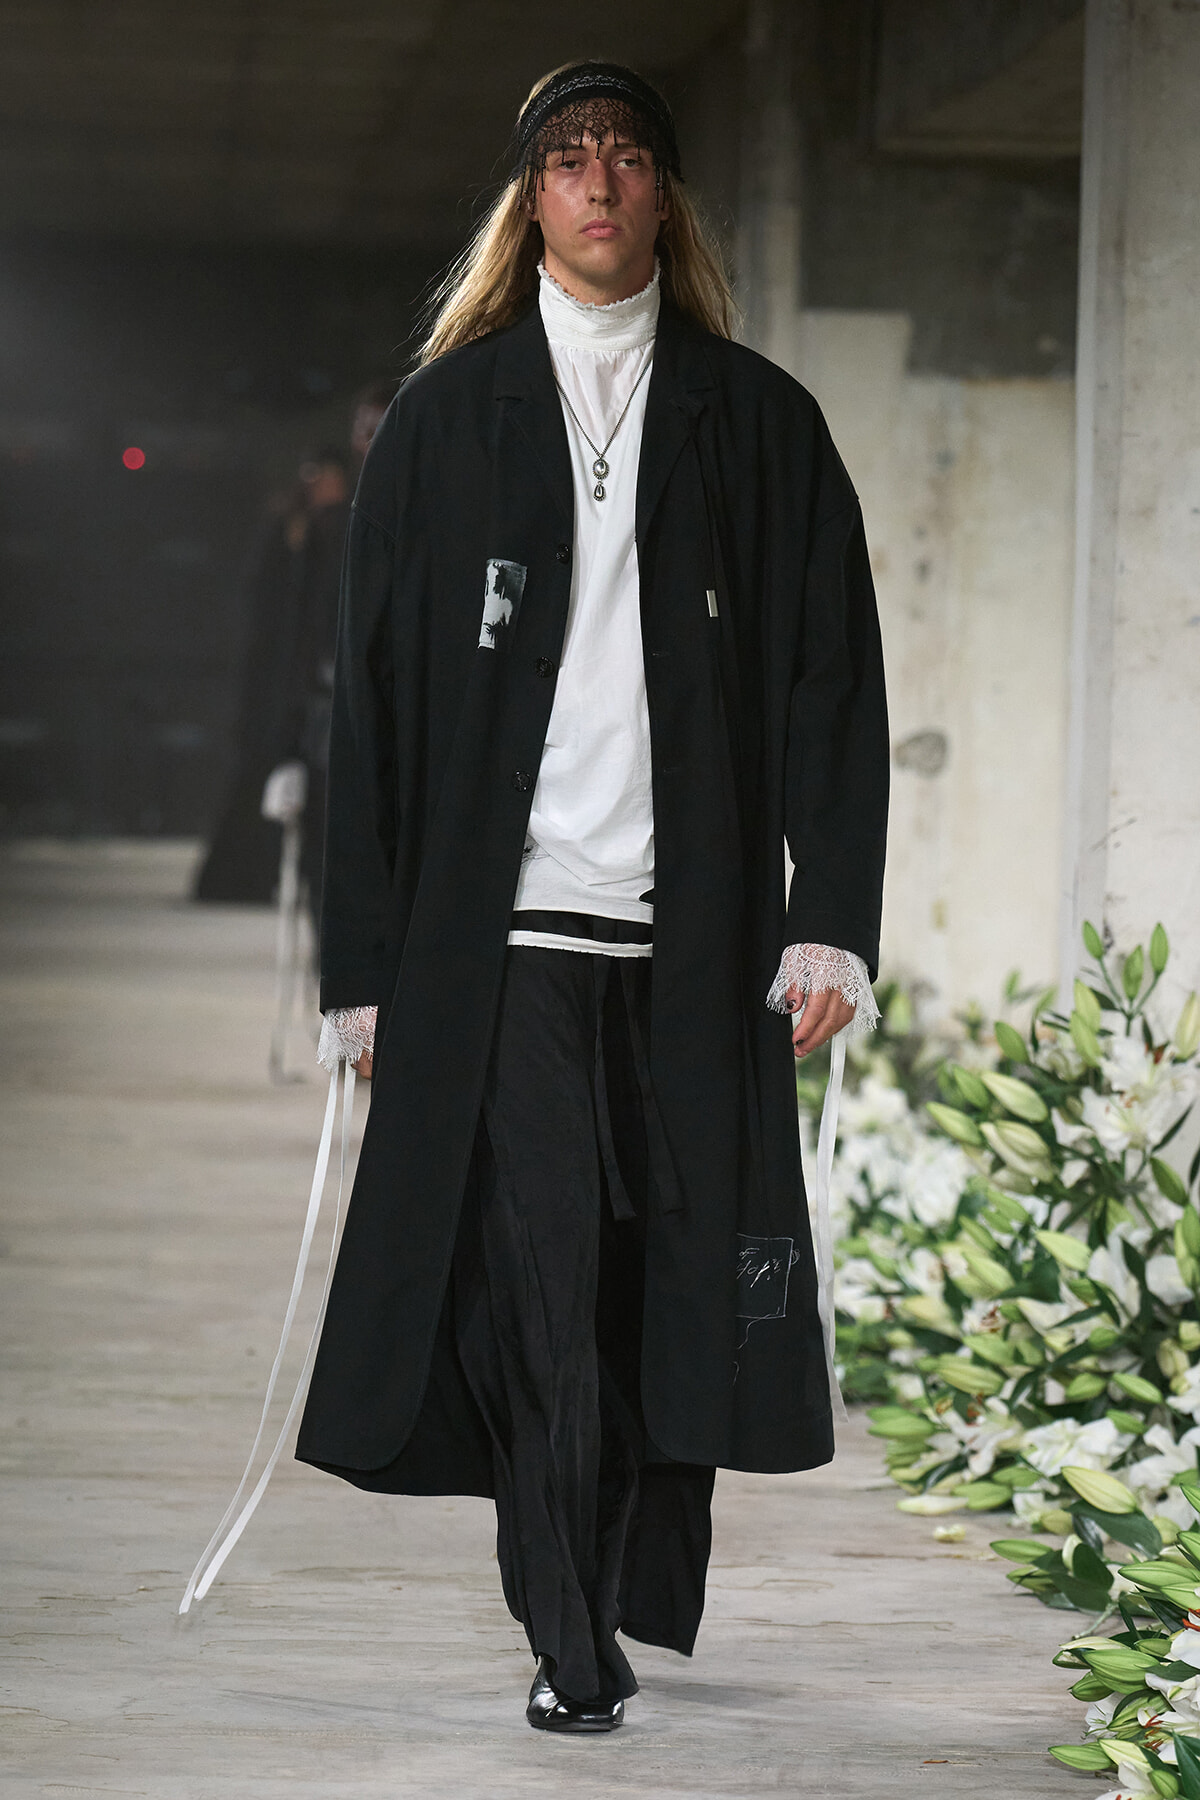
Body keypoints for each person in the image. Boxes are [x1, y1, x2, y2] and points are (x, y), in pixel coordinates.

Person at [295, 62, 888, 1733]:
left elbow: (831, 682)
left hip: (691, 950)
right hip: (507, 946)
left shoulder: (758, 422)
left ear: (666, 197)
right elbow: (376, 709)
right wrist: (368, 970)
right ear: (531, 200)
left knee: (660, 1293)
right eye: (570, 160)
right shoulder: (443, 420)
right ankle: (571, 1634)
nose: (603, 184)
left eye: (630, 157)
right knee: (542, 1288)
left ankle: (619, 1575)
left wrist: (826, 915)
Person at [196, 382, 395, 910]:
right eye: (363, 431)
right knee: (325, 862)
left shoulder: (411, 507)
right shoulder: (320, 524)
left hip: (387, 706)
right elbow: (299, 624)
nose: (369, 442)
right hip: (319, 701)